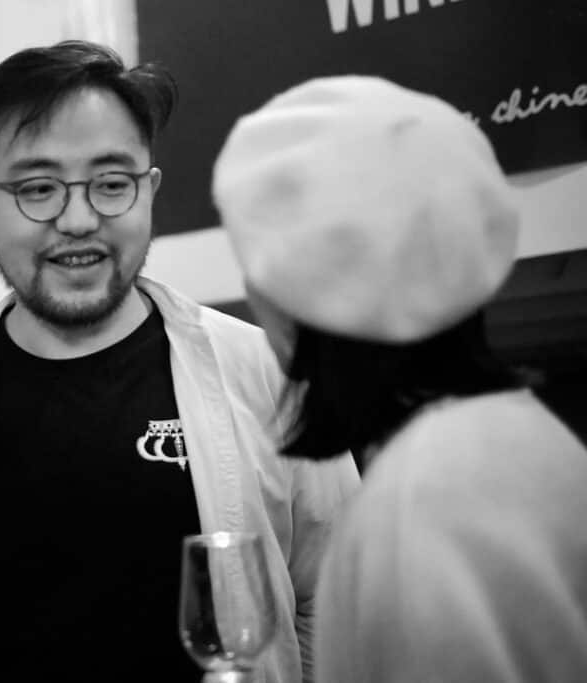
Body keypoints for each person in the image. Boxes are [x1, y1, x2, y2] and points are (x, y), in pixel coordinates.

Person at [0, 41, 359, 683]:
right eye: (37, 188)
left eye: (111, 183)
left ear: (148, 189)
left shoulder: (268, 377)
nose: (78, 218)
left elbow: (343, 601)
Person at [213, 75, 587, 682]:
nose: (254, 294)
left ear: (304, 293)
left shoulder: (429, 502)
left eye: (256, 264)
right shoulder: (507, 438)